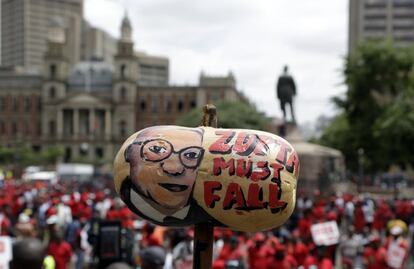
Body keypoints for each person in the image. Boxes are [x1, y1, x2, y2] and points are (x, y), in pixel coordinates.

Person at [121, 126, 218, 226]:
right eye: (156, 149)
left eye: (191, 155)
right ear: (129, 152)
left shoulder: (210, 212)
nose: (174, 169)